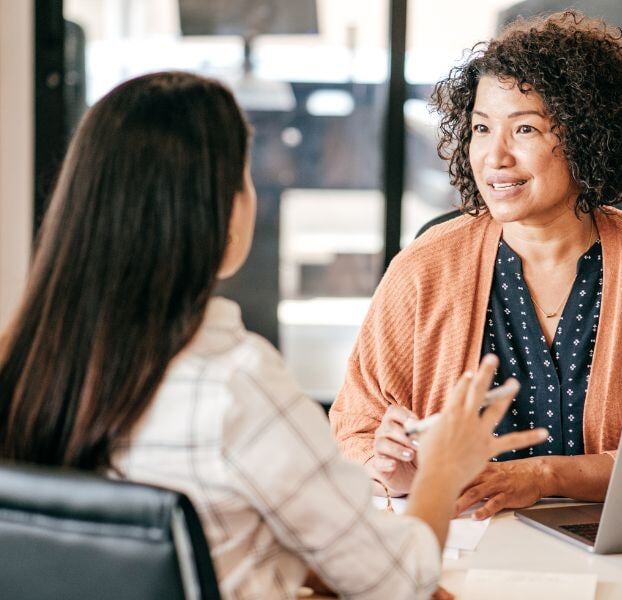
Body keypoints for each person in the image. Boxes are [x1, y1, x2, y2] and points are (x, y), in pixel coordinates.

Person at [0, 72, 547, 599]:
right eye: (244, 175)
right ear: (215, 209)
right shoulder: (236, 384)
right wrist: (443, 472)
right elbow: (400, 584)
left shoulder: (27, 365)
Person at [330, 11, 622, 520]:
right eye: (482, 128)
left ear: (586, 136)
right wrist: (390, 467)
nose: (494, 156)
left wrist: (547, 476)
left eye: (524, 128)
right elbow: (355, 430)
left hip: (614, 543)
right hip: (459, 539)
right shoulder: (424, 268)